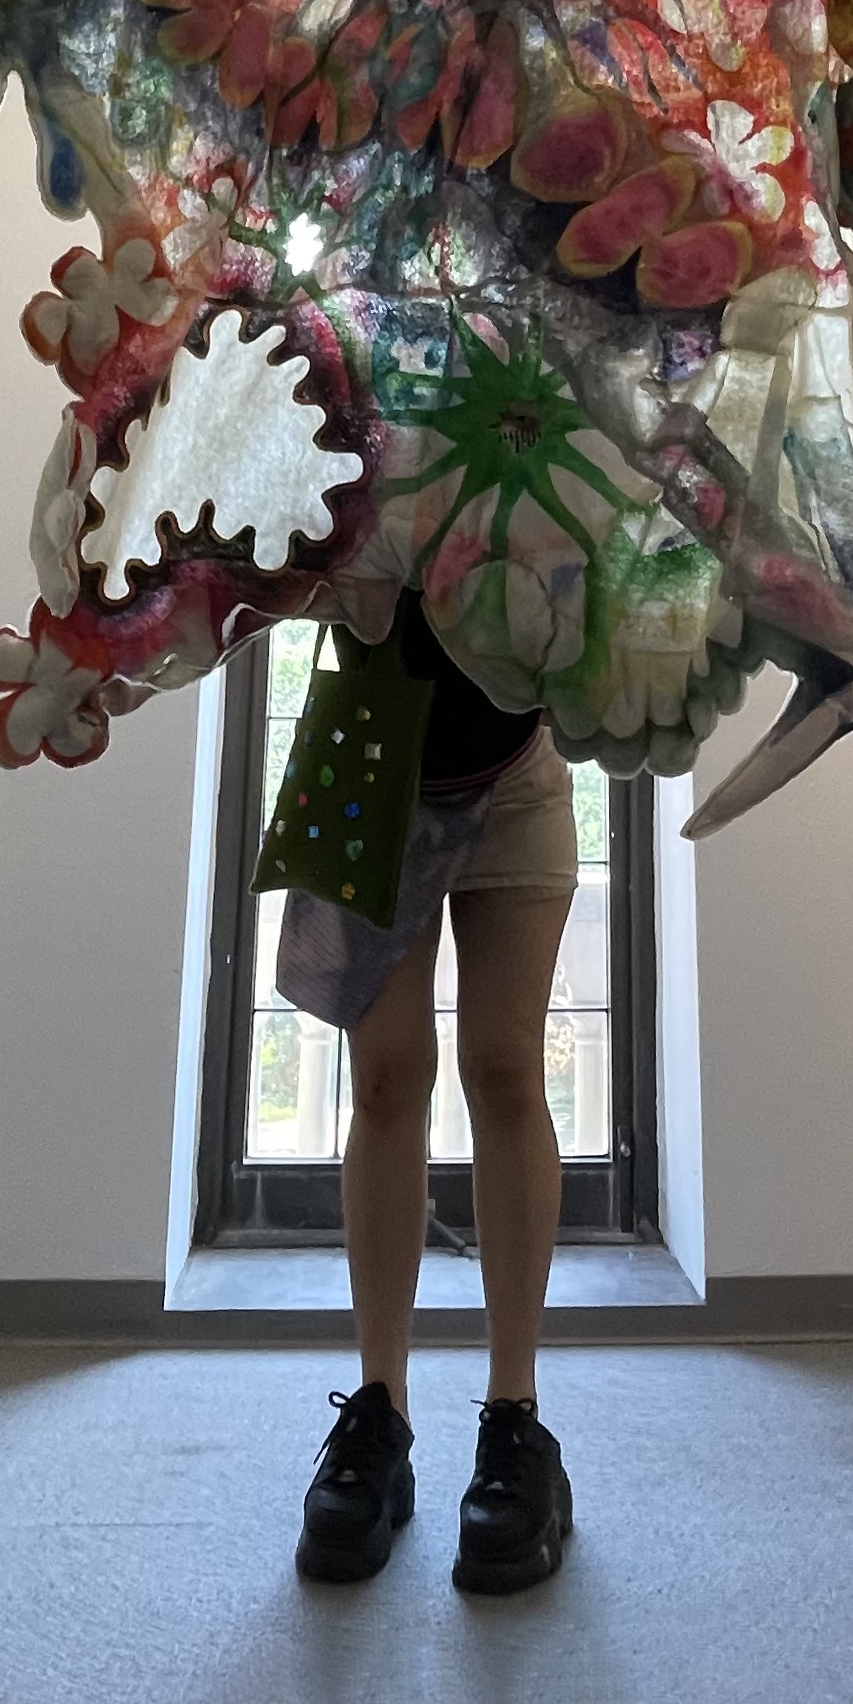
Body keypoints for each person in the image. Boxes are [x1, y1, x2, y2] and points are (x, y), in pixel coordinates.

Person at [276, 596, 578, 1596]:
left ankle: (514, 1421)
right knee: (385, 1075)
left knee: (505, 1068)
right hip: (365, 754)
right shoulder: (344, 474)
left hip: (517, 765)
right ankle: (380, 1412)